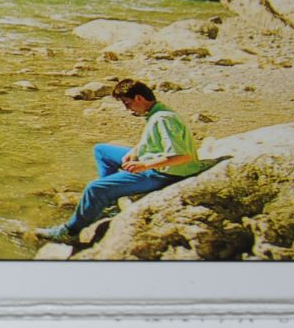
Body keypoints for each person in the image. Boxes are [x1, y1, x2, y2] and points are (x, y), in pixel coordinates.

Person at [37, 79, 200, 245]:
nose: (127, 109)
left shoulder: (163, 119)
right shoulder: (157, 111)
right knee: (101, 150)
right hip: (153, 161)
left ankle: (69, 232)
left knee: (94, 189)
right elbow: (155, 140)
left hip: (164, 174)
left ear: (138, 98)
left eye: (127, 103)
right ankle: (110, 204)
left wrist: (144, 165)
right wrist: (135, 151)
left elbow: (182, 156)